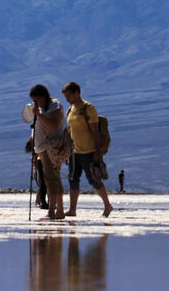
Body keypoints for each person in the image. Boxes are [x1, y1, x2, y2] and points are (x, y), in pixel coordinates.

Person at [62, 82, 112, 219]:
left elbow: (95, 131)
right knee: (73, 179)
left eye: (68, 96)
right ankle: (72, 209)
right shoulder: (70, 109)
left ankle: (107, 206)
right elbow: (70, 131)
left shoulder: (88, 108)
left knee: (93, 179)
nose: (66, 99)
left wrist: (98, 152)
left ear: (77, 93)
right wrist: (67, 150)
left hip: (88, 151)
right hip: (75, 151)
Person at [25, 85, 68, 220]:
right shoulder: (42, 108)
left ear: (43, 96)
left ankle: (53, 211)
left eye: (37, 100)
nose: (36, 103)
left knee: (51, 179)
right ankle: (59, 210)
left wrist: (38, 114)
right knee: (53, 178)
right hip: (42, 147)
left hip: (51, 147)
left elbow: (54, 125)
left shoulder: (54, 105)